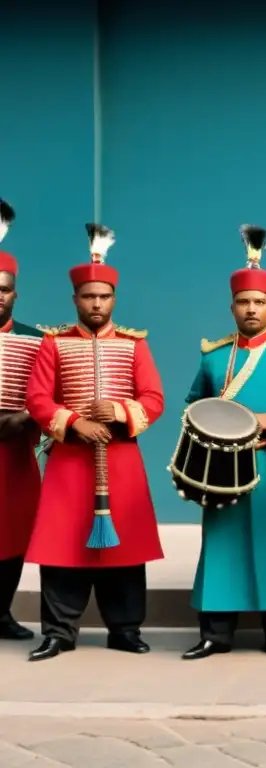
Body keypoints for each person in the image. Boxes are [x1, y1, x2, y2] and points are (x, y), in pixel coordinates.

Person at [23, 223, 165, 661]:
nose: (96, 303)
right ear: (75, 300)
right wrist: (74, 423)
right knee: (62, 545)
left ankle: (125, 628)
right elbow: (37, 398)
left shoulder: (134, 344)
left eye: (103, 296)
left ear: (113, 299)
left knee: (125, 549)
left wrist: (121, 412)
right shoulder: (54, 343)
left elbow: (154, 399)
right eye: (88, 297)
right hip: (69, 461)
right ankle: (59, 631)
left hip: (120, 460)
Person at [181, 225, 266, 661]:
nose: (251, 309)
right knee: (221, 545)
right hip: (223, 465)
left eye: (259, 302)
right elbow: (192, 405)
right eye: (243, 302)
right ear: (232, 307)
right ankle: (215, 633)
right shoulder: (214, 355)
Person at [0, 199, 43, 641]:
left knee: (11, 536)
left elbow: (50, 391)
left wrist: (29, 417)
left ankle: (1, 612)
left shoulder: (35, 339)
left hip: (15, 452)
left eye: (3, 288)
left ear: (15, 292)